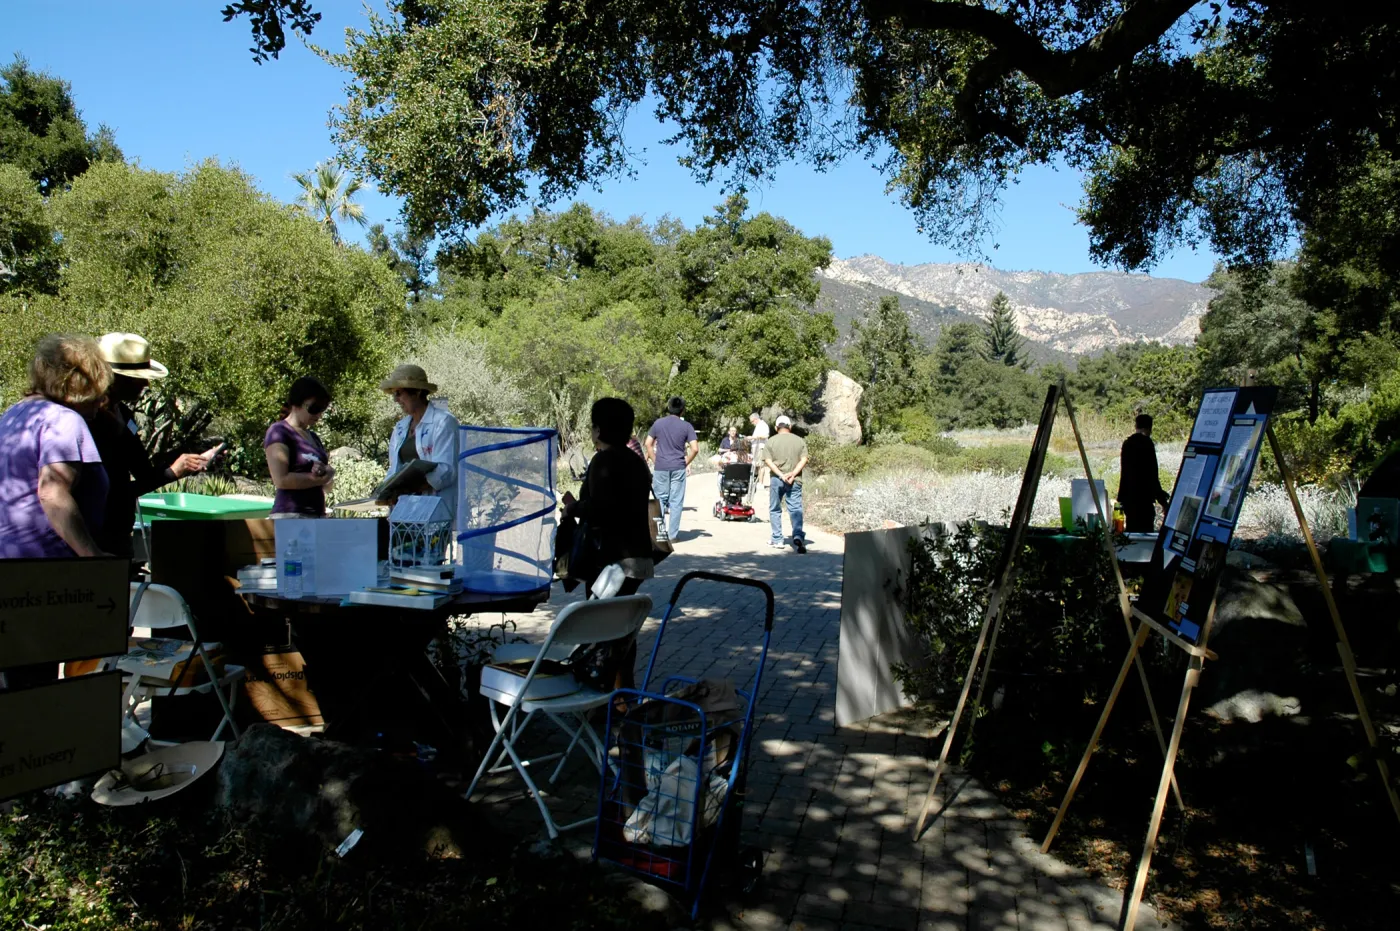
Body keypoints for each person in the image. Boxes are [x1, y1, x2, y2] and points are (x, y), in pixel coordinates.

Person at [0, 334, 112, 688]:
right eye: (98, 391)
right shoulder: (63, 420)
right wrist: (93, 557)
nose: (102, 403)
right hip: (42, 582)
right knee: (36, 694)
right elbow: (52, 491)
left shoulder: (13, 415)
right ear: (80, 384)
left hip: (10, 569)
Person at [89, 333, 219, 557]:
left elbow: (143, 472)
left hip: (119, 535)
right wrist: (172, 473)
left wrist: (187, 461)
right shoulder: (88, 422)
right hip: (94, 538)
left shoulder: (125, 415)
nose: (145, 384)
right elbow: (113, 492)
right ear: (114, 378)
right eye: (137, 377)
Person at [561, 398, 654, 689]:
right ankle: (624, 693)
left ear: (599, 429)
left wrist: (573, 508)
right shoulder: (636, 462)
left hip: (611, 562)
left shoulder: (604, 460)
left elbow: (600, 510)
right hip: (637, 559)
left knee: (601, 631)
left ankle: (601, 696)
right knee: (623, 632)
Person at [382, 364, 460, 518]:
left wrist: (408, 489)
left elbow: (447, 470)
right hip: (403, 511)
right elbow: (394, 469)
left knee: (429, 543)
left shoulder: (444, 422)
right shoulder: (400, 428)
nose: (396, 400)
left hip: (434, 510)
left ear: (417, 392)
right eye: (393, 394)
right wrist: (386, 491)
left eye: (398, 393)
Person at [264, 376, 334, 518]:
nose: (319, 415)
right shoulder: (279, 431)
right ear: (297, 404)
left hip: (317, 515)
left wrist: (325, 472)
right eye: (314, 408)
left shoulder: (314, 438)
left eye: (322, 409)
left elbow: (327, 487)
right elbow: (281, 480)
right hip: (290, 516)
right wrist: (322, 478)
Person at [645, 396, 697, 540]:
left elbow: (648, 443)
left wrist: (655, 460)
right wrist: (686, 461)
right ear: (683, 410)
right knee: (676, 501)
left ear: (668, 408)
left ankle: (658, 534)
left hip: (661, 466)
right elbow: (695, 448)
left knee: (659, 499)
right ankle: (673, 535)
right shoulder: (686, 426)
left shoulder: (658, 423)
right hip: (678, 467)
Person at [763, 415, 809, 553]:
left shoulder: (771, 441)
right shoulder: (799, 441)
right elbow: (804, 459)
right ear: (790, 426)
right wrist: (793, 474)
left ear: (776, 428)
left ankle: (777, 539)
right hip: (795, 480)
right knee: (795, 508)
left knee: (775, 509)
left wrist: (781, 475)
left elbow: (768, 461)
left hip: (777, 479)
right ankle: (797, 535)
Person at [1118, 413, 1170, 533]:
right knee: (1145, 533)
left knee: (1132, 532)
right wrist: (1162, 501)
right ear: (1150, 428)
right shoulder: (1147, 444)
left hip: (1128, 499)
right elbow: (1152, 475)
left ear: (1136, 426)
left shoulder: (1127, 444)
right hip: (1144, 500)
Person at [712, 425, 741, 492]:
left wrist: (734, 453)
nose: (733, 432)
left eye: (734, 431)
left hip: (734, 458)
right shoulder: (725, 440)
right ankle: (721, 495)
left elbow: (740, 451)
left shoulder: (738, 441)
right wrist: (727, 451)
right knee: (719, 480)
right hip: (725, 458)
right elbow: (719, 450)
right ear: (729, 432)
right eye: (732, 431)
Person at [749, 411, 771, 486]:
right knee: (757, 464)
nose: (752, 423)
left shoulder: (763, 425)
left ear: (755, 419)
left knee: (760, 464)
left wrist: (753, 437)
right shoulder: (758, 426)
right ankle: (758, 481)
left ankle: (760, 482)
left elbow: (766, 435)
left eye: (752, 421)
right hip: (756, 447)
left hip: (760, 447)